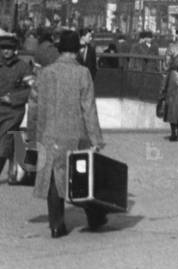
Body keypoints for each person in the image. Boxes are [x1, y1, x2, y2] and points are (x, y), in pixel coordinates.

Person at [26, 30, 106, 237]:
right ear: (78, 51)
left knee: (54, 178)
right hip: (75, 135)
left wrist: (32, 138)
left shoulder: (44, 73)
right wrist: (96, 139)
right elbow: (89, 108)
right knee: (80, 178)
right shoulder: (82, 73)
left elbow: (33, 107)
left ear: (60, 50)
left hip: (48, 134)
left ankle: (56, 225)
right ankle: (95, 217)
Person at [0, 34, 32, 178]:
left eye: (9, 48)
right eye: (3, 48)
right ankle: (16, 169)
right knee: (12, 139)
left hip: (13, 111)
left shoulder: (23, 67)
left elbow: (32, 90)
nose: (6, 51)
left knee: (5, 142)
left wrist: (12, 98)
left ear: (15, 50)